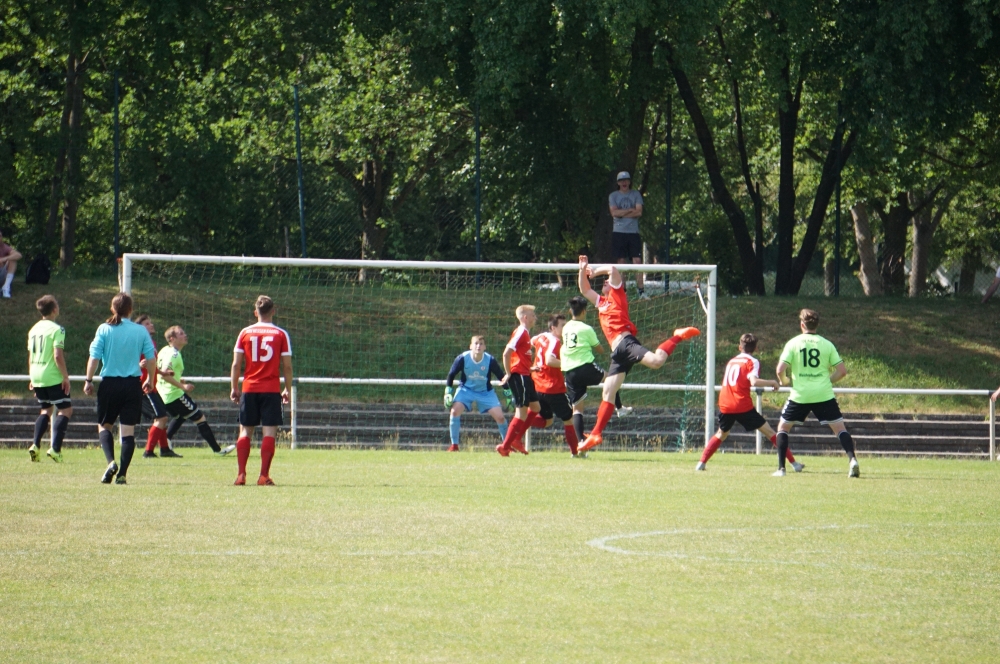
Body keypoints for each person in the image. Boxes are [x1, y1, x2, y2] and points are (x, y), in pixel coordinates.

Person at [576, 255, 700, 453]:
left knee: (657, 361)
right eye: (604, 281)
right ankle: (596, 434)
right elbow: (584, 290)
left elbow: (613, 269)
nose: (605, 282)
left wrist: (595, 271)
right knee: (608, 391)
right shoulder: (602, 303)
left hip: (627, 344)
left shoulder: (618, 295)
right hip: (618, 353)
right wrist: (583, 269)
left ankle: (677, 336)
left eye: (607, 281)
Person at [696, 333, 803, 472]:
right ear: (756, 348)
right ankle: (794, 464)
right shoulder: (752, 361)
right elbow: (754, 381)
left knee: (721, 434)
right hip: (742, 405)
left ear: (739, 347)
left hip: (725, 403)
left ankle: (701, 463)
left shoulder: (732, 361)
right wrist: (772, 382)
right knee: (770, 432)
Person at [774, 308, 858, 478]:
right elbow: (842, 371)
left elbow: (780, 369)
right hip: (823, 394)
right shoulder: (826, 344)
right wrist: (828, 381)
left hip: (800, 395)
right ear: (817, 325)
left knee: (783, 428)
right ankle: (853, 460)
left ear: (802, 324)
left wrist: (784, 381)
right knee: (840, 429)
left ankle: (781, 469)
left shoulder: (793, 343)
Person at [84, 293, 156, 484]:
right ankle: (122, 474)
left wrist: (88, 380)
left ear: (112, 308)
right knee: (128, 432)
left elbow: (94, 357)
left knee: (105, 426)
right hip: (132, 385)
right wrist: (149, 379)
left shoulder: (104, 329)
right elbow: (151, 359)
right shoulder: (140, 331)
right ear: (130, 310)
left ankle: (111, 462)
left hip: (110, 384)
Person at [230, 295, 293, 486]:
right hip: (271, 390)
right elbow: (287, 366)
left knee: (244, 432)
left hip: (249, 389)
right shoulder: (280, 334)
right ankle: (263, 475)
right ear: (273, 311)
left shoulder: (245, 332)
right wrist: (287, 389)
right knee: (269, 433)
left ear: (255, 312)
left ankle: (241, 474)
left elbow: (236, 364)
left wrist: (234, 387)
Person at [561, 296, 628, 449]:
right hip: (584, 366)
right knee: (610, 379)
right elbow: (599, 348)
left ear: (571, 311)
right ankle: (619, 408)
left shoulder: (566, 328)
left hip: (569, 371)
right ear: (584, 311)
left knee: (577, 409)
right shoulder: (586, 329)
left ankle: (580, 442)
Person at [157, 326, 235, 456]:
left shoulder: (164, 350)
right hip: (174, 394)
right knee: (199, 418)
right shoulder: (174, 354)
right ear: (172, 338)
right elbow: (165, 374)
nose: (185, 335)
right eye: (181, 333)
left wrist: (179, 380)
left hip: (163, 394)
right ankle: (218, 450)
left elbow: (162, 373)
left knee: (180, 416)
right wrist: (182, 386)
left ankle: (166, 443)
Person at [26, 295, 72, 463]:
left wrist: (32, 376)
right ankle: (55, 449)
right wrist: (65, 377)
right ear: (54, 309)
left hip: (36, 374)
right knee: (65, 410)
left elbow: (31, 355)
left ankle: (35, 445)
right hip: (52, 375)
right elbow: (57, 355)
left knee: (46, 410)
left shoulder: (33, 329)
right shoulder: (57, 329)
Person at [443, 336, 509, 451]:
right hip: (466, 390)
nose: (478, 346)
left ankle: (507, 446)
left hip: (485, 392)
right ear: (471, 346)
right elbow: (451, 374)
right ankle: (454, 446)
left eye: (481, 344)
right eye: (476, 343)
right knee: (454, 411)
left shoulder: (490, 360)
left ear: (485, 347)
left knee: (500, 417)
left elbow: (501, 376)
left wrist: (508, 393)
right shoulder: (462, 358)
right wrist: (448, 392)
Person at [496, 304, 544, 456]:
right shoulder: (521, 332)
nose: (535, 318)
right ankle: (505, 446)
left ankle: (516, 439)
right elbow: (506, 353)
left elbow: (518, 357)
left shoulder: (525, 334)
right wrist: (509, 373)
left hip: (525, 375)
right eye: (533, 315)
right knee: (521, 413)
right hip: (520, 377)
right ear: (525, 317)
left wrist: (530, 369)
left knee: (535, 408)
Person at [530, 314, 581, 455]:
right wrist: (569, 364)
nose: (565, 328)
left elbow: (530, 341)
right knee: (570, 420)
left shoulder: (541, 336)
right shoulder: (555, 341)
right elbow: (550, 360)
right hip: (553, 389)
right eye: (562, 326)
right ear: (553, 328)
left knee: (548, 421)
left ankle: (520, 422)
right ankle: (576, 452)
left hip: (538, 386)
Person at [134, 315, 180, 458]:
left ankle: (164, 449)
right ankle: (148, 451)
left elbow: (151, 364)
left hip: (152, 386)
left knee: (162, 418)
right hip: (143, 387)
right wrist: (138, 365)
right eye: (147, 323)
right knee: (161, 418)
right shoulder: (137, 343)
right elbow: (128, 362)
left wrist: (162, 372)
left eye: (151, 322)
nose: (151, 325)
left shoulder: (151, 343)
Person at [608, 171, 647, 299]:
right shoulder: (613, 196)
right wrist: (630, 210)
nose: (624, 183)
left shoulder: (636, 194)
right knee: (621, 261)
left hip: (633, 233)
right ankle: (622, 291)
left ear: (629, 182)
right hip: (618, 233)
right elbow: (614, 213)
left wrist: (622, 213)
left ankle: (641, 291)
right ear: (618, 183)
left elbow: (639, 212)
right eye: (621, 181)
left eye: (626, 180)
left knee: (637, 261)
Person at [0, 228, 23, 299]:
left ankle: (6, 287)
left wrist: (4, 259)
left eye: (0, 236)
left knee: (12, 260)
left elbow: (18, 255)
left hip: (2, 274)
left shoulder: (4, 247)